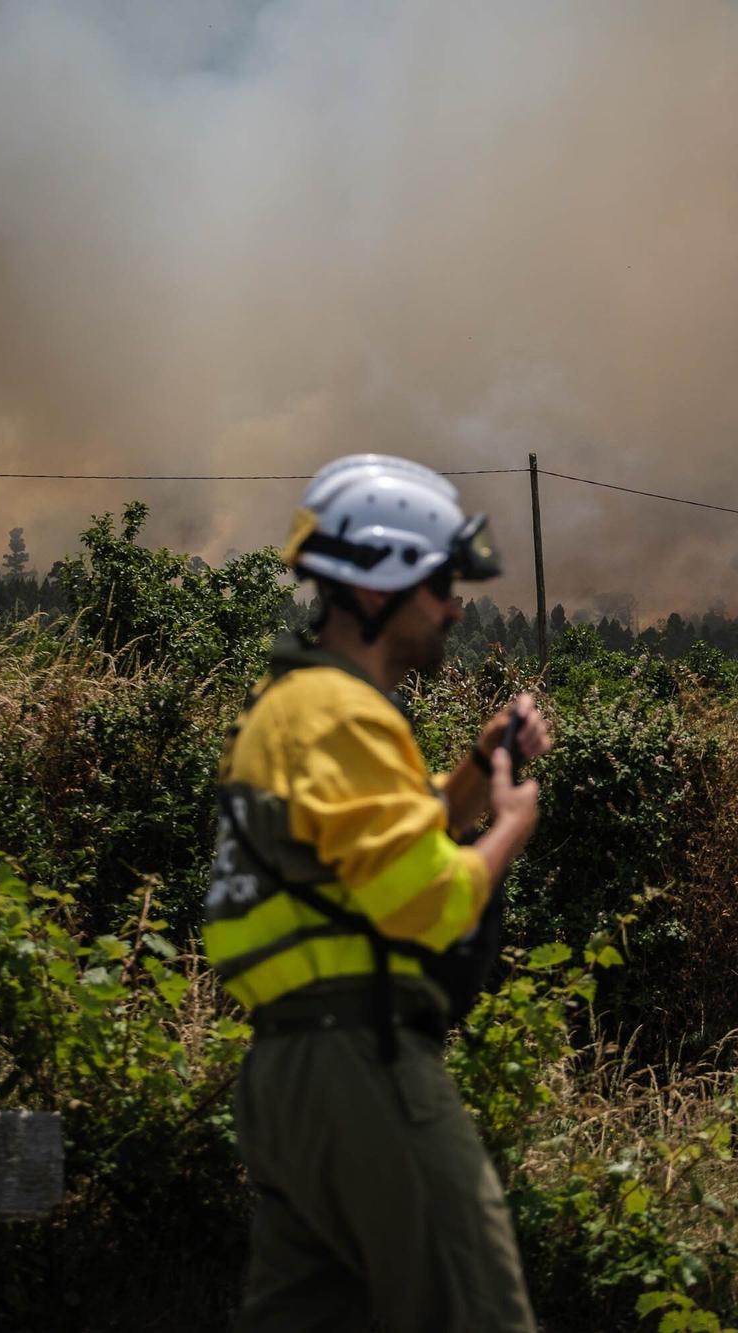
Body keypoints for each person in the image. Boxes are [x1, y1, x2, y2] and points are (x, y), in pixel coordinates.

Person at [204, 453, 549, 1332]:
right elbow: (424, 898)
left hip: (288, 1078)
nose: (457, 606)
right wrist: (511, 822)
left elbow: (381, 842)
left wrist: (479, 767)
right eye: (441, 585)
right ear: (375, 586)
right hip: (363, 1068)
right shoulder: (341, 713)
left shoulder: (296, 707)